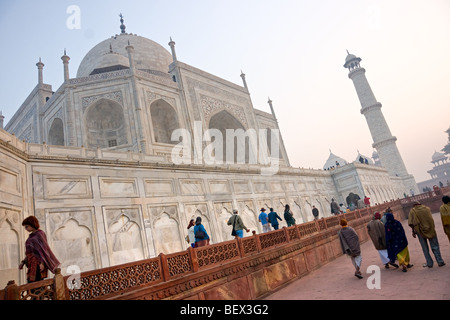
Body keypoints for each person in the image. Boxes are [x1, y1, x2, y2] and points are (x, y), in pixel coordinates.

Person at [19, 216, 60, 283]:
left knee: (37, 284)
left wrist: (42, 263)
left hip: (38, 264)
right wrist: (23, 262)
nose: (26, 229)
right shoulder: (31, 235)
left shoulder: (40, 234)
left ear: (32, 224)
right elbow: (30, 252)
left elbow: (44, 250)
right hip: (31, 263)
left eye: (27, 226)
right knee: (31, 283)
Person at [408, 202, 445, 268]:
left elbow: (411, 223)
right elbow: (430, 219)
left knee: (425, 248)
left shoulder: (412, 211)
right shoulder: (427, 209)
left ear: (414, 206)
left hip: (420, 231)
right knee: (435, 246)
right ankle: (440, 261)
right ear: (420, 204)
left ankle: (429, 263)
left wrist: (413, 231)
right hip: (430, 229)